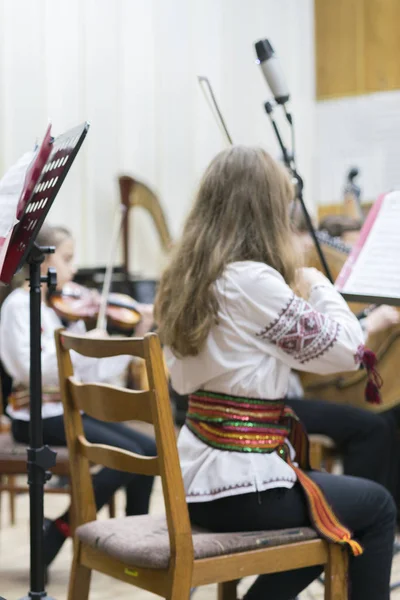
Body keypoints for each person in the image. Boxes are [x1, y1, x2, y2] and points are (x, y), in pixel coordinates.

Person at [154, 146, 396, 599]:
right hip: (237, 488)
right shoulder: (251, 280)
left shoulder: (188, 275)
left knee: (343, 519)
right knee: (376, 508)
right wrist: (313, 278)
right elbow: (347, 351)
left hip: (193, 479)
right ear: (268, 212)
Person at [0, 224, 156, 572]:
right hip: (35, 418)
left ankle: (137, 545)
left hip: (68, 411)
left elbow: (93, 373)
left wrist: (134, 338)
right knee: (130, 455)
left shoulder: (63, 308)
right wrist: (82, 349)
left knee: (151, 450)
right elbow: (30, 369)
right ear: (44, 259)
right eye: (68, 259)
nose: (73, 270)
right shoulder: (17, 306)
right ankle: (64, 528)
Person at [286, 207, 400, 500]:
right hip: (282, 396)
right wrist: (369, 324)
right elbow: (333, 348)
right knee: (374, 426)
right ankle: (368, 520)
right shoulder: (293, 276)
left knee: (389, 414)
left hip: (281, 390)